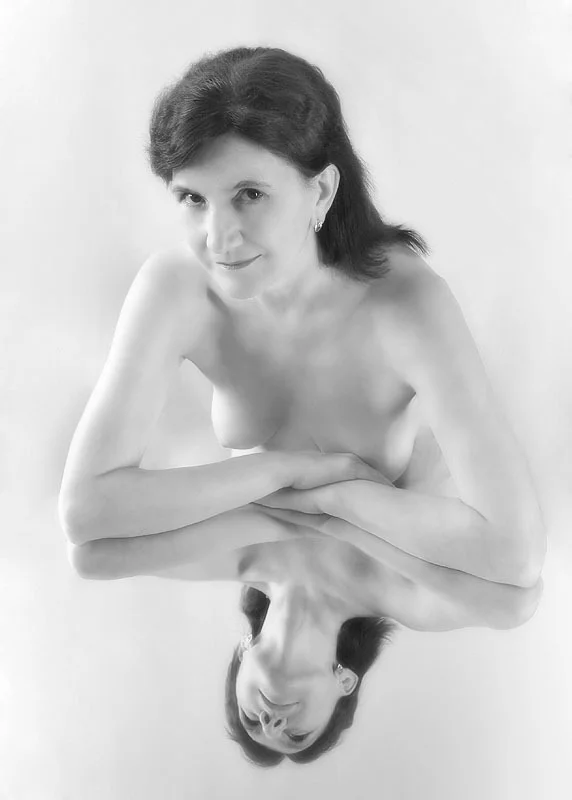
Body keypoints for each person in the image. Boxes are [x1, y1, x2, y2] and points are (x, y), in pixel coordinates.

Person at [58, 46, 547, 765]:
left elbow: (517, 559)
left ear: (321, 192)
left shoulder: (406, 303)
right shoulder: (175, 288)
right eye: (192, 198)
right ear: (345, 682)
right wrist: (304, 476)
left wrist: (305, 500)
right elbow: (84, 515)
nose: (217, 239)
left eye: (249, 194)